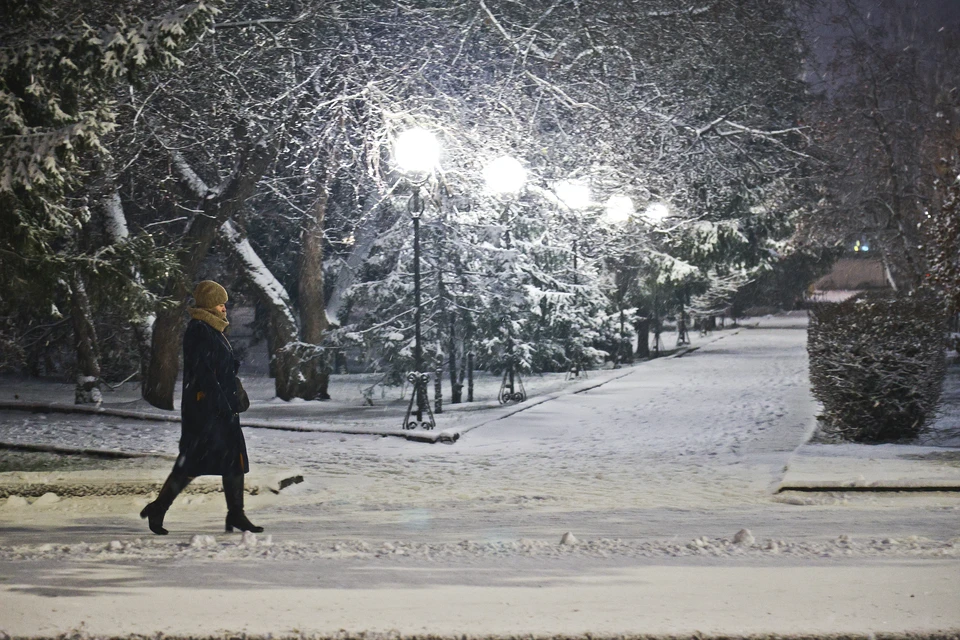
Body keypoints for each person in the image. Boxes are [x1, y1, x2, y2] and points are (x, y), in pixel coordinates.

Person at [140, 280, 262, 535]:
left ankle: (236, 515)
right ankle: (158, 507)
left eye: (224, 304)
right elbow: (204, 374)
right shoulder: (199, 330)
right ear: (209, 305)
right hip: (206, 412)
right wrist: (221, 405)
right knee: (190, 465)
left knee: (233, 462)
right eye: (220, 304)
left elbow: (217, 367)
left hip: (220, 409)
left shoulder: (213, 330)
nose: (224, 308)